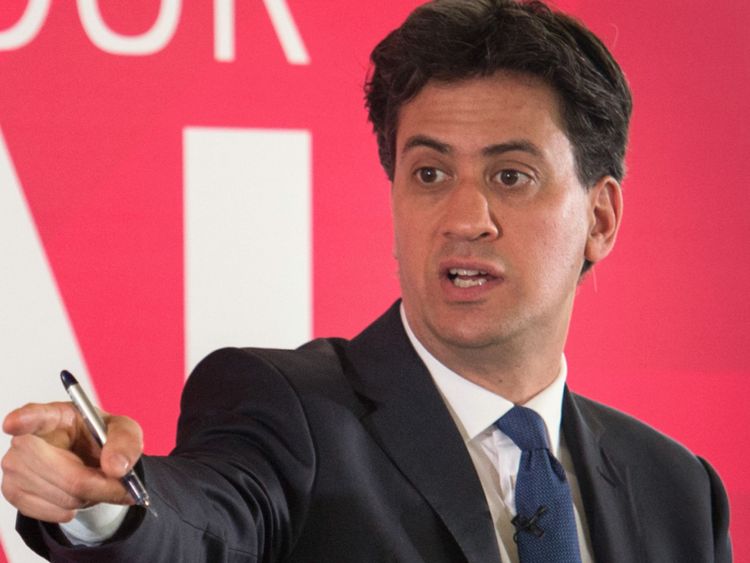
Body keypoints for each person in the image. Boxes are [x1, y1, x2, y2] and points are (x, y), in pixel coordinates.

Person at [1, 0, 732, 561]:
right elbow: (205, 521)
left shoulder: (678, 488)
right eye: (430, 173)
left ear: (600, 218)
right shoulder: (289, 414)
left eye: (511, 175)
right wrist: (110, 506)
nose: (464, 216)